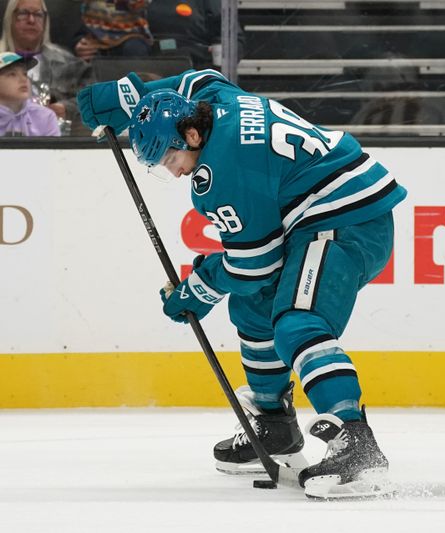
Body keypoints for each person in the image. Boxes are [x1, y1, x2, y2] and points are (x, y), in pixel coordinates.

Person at [77, 67, 407, 499]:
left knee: (297, 323)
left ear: (192, 137)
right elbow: (201, 77)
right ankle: (274, 425)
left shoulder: (225, 172)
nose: (175, 172)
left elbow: (255, 266)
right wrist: (130, 98)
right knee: (252, 309)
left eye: (171, 159)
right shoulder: (215, 102)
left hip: (346, 220)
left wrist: (197, 288)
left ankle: (356, 442)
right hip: (314, 211)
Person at [0, 0, 94, 135]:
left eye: (38, 14)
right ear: (10, 18)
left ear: (45, 21)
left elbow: (93, 98)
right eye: (23, 13)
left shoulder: (70, 64)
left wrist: (67, 108)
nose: (31, 20)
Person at [147, 0, 245, 70]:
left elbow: (233, 40)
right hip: (149, 67)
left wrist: (216, 55)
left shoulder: (211, 3)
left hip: (197, 69)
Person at [0, 50, 59, 136]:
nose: (23, 79)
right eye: (12, 74)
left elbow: (55, 149)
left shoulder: (45, 117)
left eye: (25, 74)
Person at [73, 0, 152, 61]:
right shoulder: (89, 7)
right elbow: (75, 32)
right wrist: (79, 45)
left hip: (132, 46)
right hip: (94, 49)